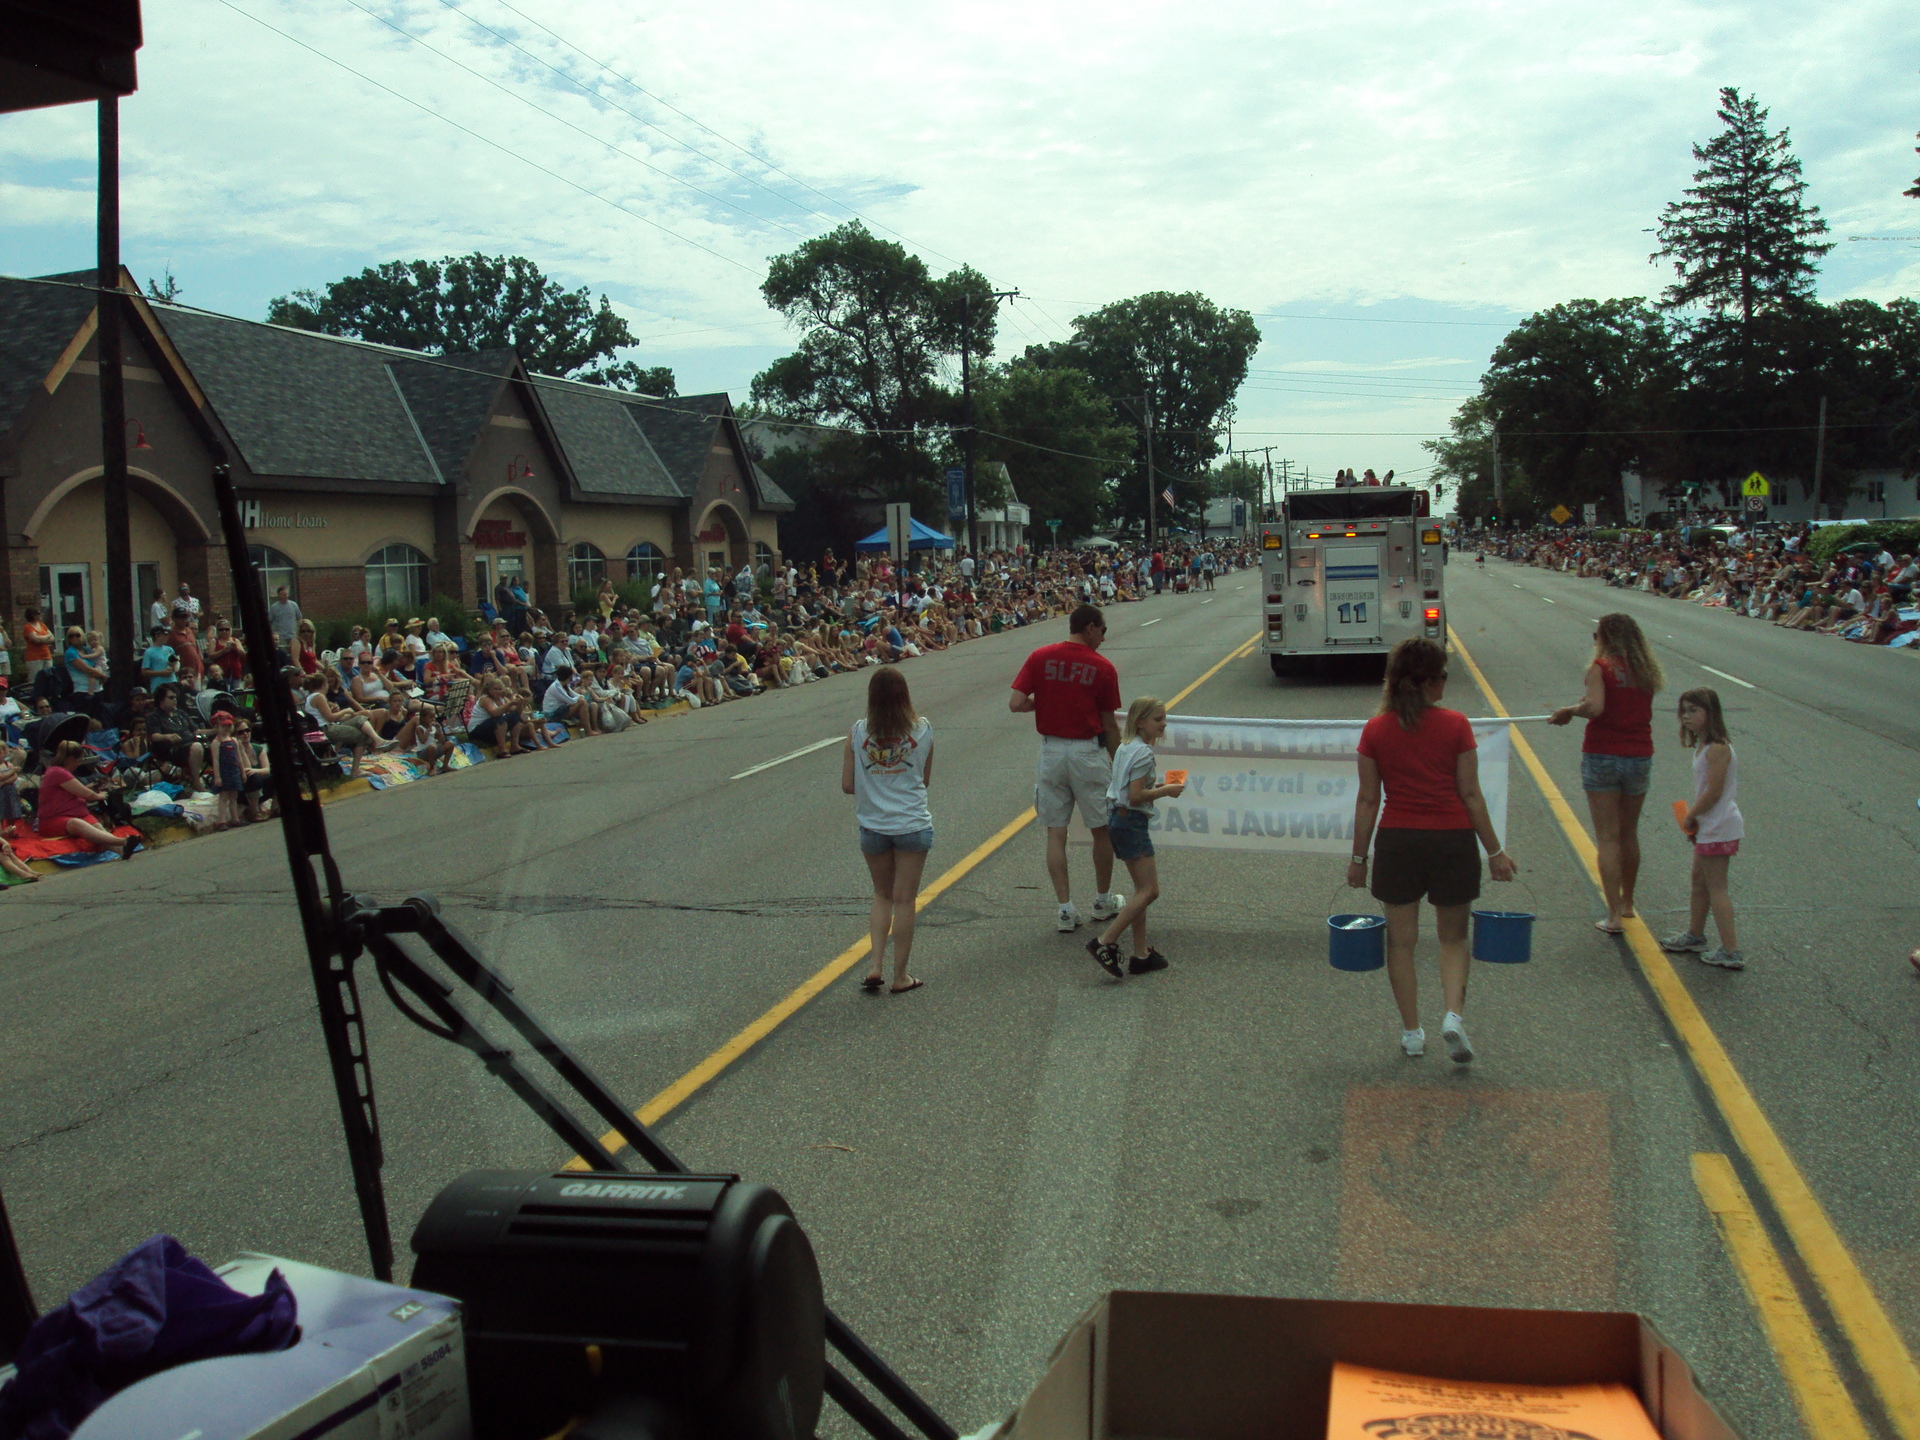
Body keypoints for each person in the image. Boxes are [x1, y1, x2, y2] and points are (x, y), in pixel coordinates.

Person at [1349, 638, 1517, 1062]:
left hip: (1398, 840)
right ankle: (1453, 1017)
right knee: (1453, 938)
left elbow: (1368, 800)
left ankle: (1411, 1033)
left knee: (1401, 943)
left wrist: (1358, 859)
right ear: (1425, 682)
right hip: (1452, 839)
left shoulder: (1375, 730)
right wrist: (1495, 852)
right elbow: (1472, 795)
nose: (1445, 682)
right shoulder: (1456, 725)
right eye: (1441, 676)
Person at [1009, 603, 1123, 933]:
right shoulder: (1102, 667)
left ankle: (1064, 908)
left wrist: (1041, 702)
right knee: (1101, 828)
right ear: (1090, 628)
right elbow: (1109, 724)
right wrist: (1120, 763)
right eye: (1102, 630)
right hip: (1088, 752)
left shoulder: (1040, 656)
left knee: (1055, 831)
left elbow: (1016, 703)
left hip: (1052, 752)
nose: (1103, 637)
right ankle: (1102, 900)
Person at [1549, 613, 1662, 935]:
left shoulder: (1600, 669)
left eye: (1596, 635)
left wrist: (1571, 710)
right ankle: (1628, 903)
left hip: (1603, 753)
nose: (1594, 641)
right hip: (1639, 753)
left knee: (1608, 837)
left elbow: (1597, 708)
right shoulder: (1645, 671)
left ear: (1605, 639)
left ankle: (1612, 915)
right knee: (1629, 832)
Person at [841, 666, 933, 994]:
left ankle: (875, 964)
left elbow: (848, 785)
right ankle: (900, 976)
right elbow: (924, 779)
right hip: (911, 823)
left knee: (882, 895)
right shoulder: (922, 730)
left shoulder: (857, 732)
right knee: (905, 899)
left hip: (873, 826)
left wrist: (875, 781)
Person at [1086, 695, 1184, 978]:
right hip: (1132, 822)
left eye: (1164, 719)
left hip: (1118, 820)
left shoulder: (1126, 748)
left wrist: (1163, 784)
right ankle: (1104, 941)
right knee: (1150, 891)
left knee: (1140, 891)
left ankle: (1141, 954)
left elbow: (1129, 790)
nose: (1163, 725)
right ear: (1140, 722)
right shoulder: (1142, 753)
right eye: (1157, 720)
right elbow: (1136, 795)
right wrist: (1166, 791)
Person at [1662, 688, 1744, 970]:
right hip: (1710, 825)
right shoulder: (1703, 747)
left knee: (1717, 887)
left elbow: (1714, 791)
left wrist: (1691, 815)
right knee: (1699, 880)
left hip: (1719, 825)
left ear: (1711, 714)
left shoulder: (1718, 748)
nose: (1686, 716)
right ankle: (1695, 934)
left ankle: (1731, 950)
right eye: (1683, 710)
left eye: (1694, 710)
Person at [35, 739, 138, 857]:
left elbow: (75, 789)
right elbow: (86, 794)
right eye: (78, 761)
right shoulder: (57, 772)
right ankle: (122, 841)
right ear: (70, 759)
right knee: (76, 823)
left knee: (96, 826)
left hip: (76, 813)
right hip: (54, 819)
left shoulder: (61, 772)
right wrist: (99, 796)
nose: (78, 764)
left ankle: (120, 850)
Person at [21, 608, 54, 684]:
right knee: (35, 679)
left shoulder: (42, 625)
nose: (40, 615)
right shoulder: (28, 627)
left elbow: (52, 637)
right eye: (38, 613)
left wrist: (42, 638)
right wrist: (46, 636)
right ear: (33, 615)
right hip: (34, 657)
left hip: (46, 655)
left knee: (49, 677)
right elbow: (36, 640)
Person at [268, 586, 302, 654]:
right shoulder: (274, 607)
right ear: (279, 595)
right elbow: (270, 621)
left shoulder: (294, 605)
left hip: (293, 636)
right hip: (281, 637)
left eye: (286, 594)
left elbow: (300, 619)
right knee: (284, 654)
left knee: (295, 654)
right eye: (284, 595)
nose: (286, 596)